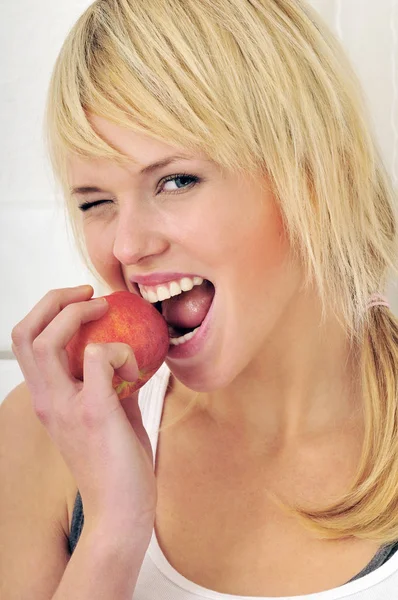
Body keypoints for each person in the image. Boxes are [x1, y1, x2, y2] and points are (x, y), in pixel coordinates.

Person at [1, 0, 398, 598]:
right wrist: (112, 530)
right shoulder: (47, 432)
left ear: (315, 178)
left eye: (176, 180)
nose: (127, 246)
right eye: (93, 201)